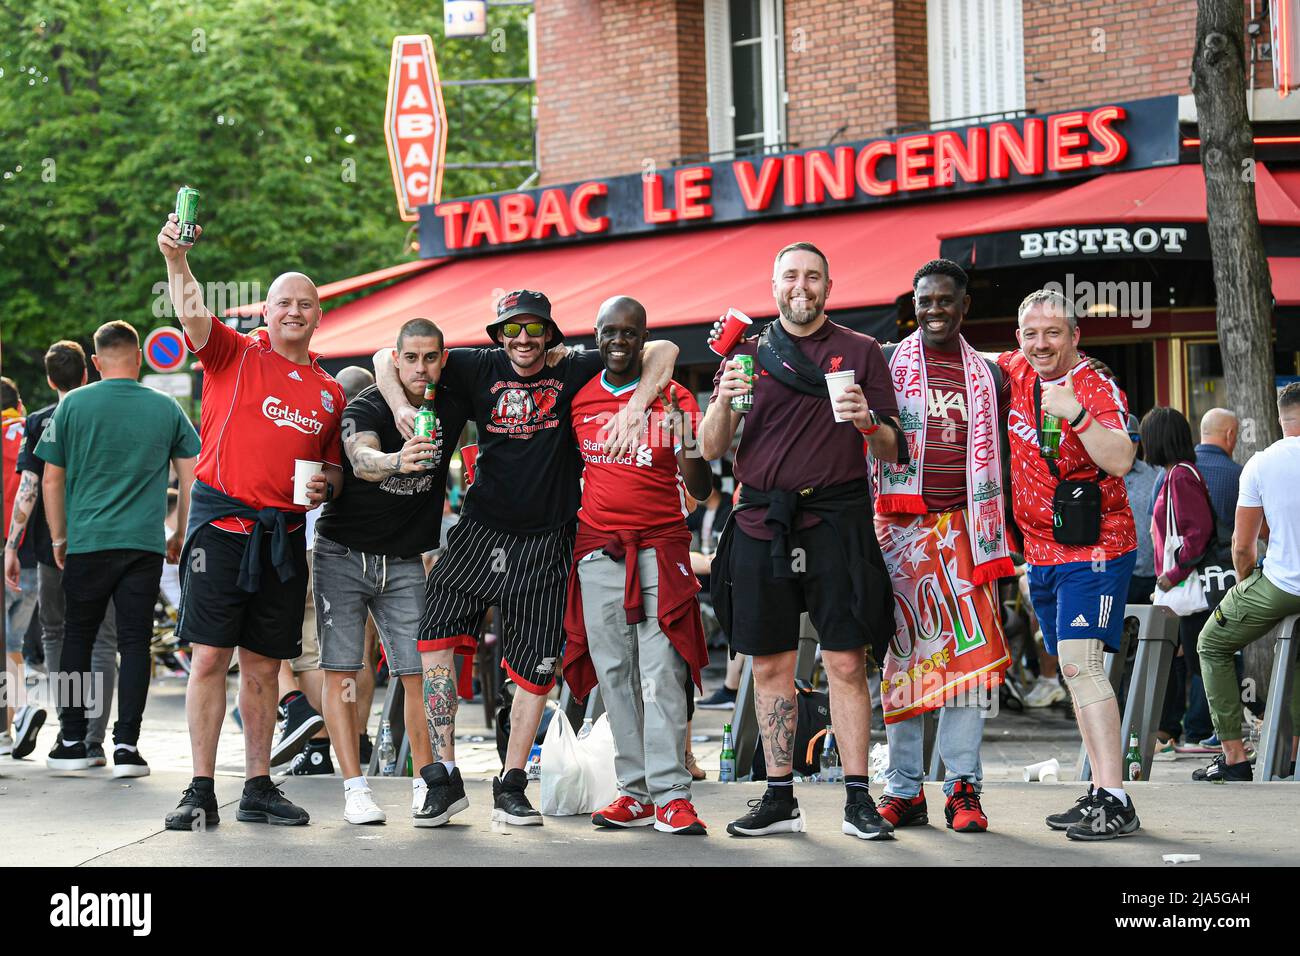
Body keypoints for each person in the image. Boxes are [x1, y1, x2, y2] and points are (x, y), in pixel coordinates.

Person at [373, 289, 679, 826]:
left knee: (536, 667)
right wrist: (400, 407)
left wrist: (634, 409)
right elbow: (384, 357)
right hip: (480, 529)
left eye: (534, 329)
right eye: (512, 329)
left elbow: (666, 350)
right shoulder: (473, 365)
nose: (522, 340)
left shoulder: (576, 366)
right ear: (498, 334)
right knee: (434, 638)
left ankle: (512, 783)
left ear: (551, 334)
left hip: (547, 538)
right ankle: (443, 778)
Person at [700, 241, 902, 841]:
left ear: (828, 287)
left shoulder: (863, 351)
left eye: (812, 276)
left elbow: (893, 447)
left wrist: (867, 419)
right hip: (763, 521)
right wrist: (722, 399)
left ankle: (859, 797)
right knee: (770, 665)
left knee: (844, 661)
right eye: (791, 275)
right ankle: (780, 794)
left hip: (838, 520)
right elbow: (711, 448)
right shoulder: (748, 354)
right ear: (774, 284)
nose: (801, 286)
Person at [157, 212, 345, 829]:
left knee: (266, 665)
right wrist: (177, 260)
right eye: (283, 301)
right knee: (210, 657)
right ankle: (200, 788)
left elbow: (335, 471)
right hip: (221, 525)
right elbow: (191, 315)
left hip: (285, 535)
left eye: (306, 303)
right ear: (265, 312)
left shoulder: (328, 390)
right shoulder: (234, 352)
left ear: (319, 315)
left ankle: (259, 785)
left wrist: (327, 484)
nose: (294, 310)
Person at [560, 296, 713, 834]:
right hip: (598, 551)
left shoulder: (675, 397)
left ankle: (673, 793)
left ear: (644, 337)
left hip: (660, 548)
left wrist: (682, 437)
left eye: (631, 333)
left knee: (662, 673)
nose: (619, 342)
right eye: (610, 333)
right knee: (614, 674)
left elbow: (701, 487)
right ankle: (635, 793)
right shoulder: (579, 398)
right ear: (596, 336)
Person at [871, 259, 1014, 834]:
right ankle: (904, 790)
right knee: (904, 660)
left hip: (968, 531)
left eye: (945, 300)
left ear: (964, 305)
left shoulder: (990, 374)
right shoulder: (886, 362)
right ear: (914, 303)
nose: (934, 310)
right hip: (901, 533)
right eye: (924, 300)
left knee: (971, 668)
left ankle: (963, 788)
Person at [315, 321, 468, 825]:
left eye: (431, 358)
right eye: (411, 359)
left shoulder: (449, 401)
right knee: (344, 674)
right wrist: (397, 460)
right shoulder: (366, 408)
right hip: (343, 554)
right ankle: (355, 787)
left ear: (442, 359)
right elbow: (360, 460)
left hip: (404, 559)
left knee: (418, 672)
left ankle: (430, 782)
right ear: (397, 361)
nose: (421, 369)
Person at [34, 321, 200, 778]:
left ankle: (73, 740)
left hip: (87, 543)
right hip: (144, 545)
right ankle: (127, 746)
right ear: (140, 359)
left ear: (95, 361)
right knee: (133, 643)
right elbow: (191, 476)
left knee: (77, 638)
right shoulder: (165, 408)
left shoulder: (72, 406)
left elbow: (52, 478)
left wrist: (60, 538)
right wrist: (180, 533)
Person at [1001, 289, 1139, 841]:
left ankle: (1116, 797)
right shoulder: (1013, 368)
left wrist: (1076, 414)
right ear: (1018, 339)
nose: (1042, 343)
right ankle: (1099, 792)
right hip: (1041, 554)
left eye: (1054, 333)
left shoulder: (1094, 386)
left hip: (1097, 551)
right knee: (1071, 671)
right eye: (1032, 334)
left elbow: (1123, 458)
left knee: (1084, 667)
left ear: (1076, 336)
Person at [4, 342, 118, 763]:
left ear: (50, 379)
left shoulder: (37, 422)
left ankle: (68, 730)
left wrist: (11, 545)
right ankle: (95, 738)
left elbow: (28, 490)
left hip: (51, 546)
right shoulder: (103, 414)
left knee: (56, 633)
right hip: (104, 539)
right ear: (87, 373)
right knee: (104, 640)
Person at [1193, 383, 1300, 782]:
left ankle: (1234, 757)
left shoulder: (1261, 463)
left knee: (1211, 643)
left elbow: (1242, 545)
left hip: (1282, 585)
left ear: (1280, 418)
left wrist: (1243, 584)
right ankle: (1294, 758)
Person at [276, 364, 379, 777]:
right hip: (364, 556)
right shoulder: (379, 433)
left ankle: (317, 744)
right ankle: (355, 737)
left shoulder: (317, 428)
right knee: (356, 655)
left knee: (302, 651)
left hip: (307, 546)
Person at [1142, 407, 1216, 753]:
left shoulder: (1181, 476)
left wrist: (1172, 574)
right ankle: (1182, 728)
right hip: (1178, 586)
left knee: (1194, 659)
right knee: (1183, 657)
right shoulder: (1178, 474)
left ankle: (1198, 728)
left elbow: (1197, 533)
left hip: (1182, 585)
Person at [2, 377, 43, 758]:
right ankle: (15, 718)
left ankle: (13, 719)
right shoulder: (34, 430)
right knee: (11, 643)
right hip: (34, 555)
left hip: (6, 549)